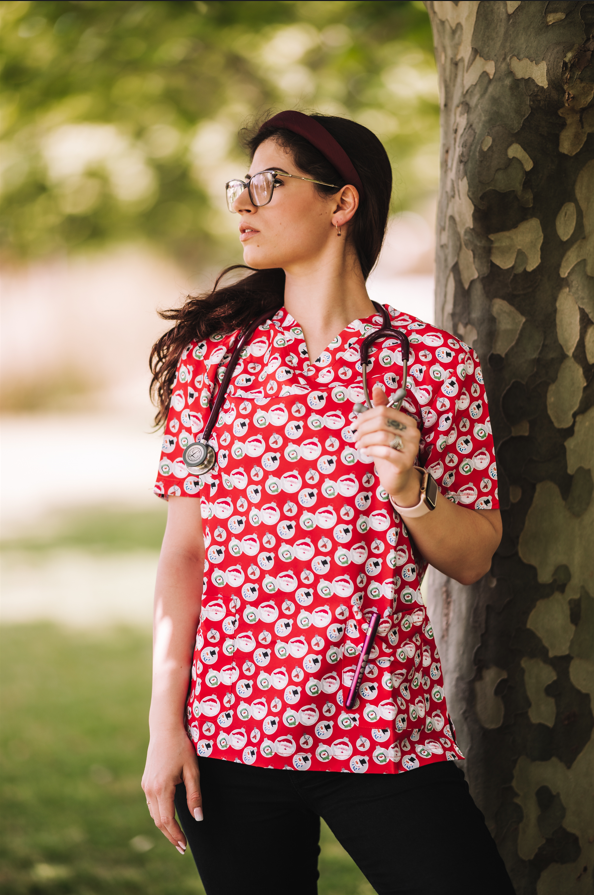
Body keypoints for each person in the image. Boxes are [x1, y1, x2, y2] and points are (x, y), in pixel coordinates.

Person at [142, 111, 515, 895]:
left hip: (385, 729)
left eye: (268, 184)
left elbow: (475, 554)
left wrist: (411, 489)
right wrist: (163, 725)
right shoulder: (216, 366)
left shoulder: (436, 366)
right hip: (230, 738)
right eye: (240, 185)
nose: (243, 203)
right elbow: (186, 553)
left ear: (342, 204)